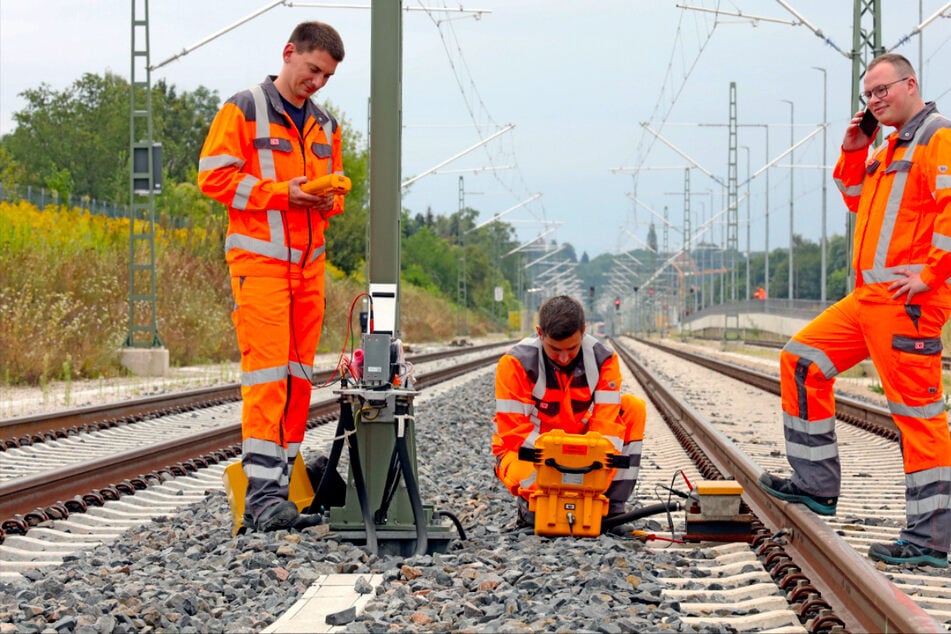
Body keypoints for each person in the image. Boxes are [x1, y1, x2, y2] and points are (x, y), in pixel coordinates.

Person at [758, 53, 950, 568]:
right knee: (801, 361)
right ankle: (816, 486)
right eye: (867, 95)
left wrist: (930, 275)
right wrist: (851, 150)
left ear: (911, 84)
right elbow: (854, 198)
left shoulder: (938, 137)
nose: (875, 100)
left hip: (907, 304)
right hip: (868, 299)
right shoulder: (889, 146)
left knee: (918, 416)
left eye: (882, 89)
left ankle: (930, 540)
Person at [197, 21, 347, 532]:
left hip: (309, 270)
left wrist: (327, 199)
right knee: (266, 379)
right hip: (260, 266)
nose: (317, 83)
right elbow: (213, 177)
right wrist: (284, 193)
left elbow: (333, 202)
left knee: (298, 379)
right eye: (312, 70)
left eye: (326, 76)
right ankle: (262, 496)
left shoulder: (326, 126)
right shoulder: (244, 108)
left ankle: (284, 488)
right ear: (288, 54)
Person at [492, 295, 647, 530]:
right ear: (540, 333)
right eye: (555, 349)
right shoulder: (515, 363)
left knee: (634, 407)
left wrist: (587, 464)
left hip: (583, 448)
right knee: (531, 479)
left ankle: (612, 509)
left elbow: (607, 425)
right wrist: (560, 462)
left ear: (584, 331)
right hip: (532, 454)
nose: (563, 357)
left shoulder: (604, 360)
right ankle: (531, 506)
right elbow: (514, 433)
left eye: (572, 348)